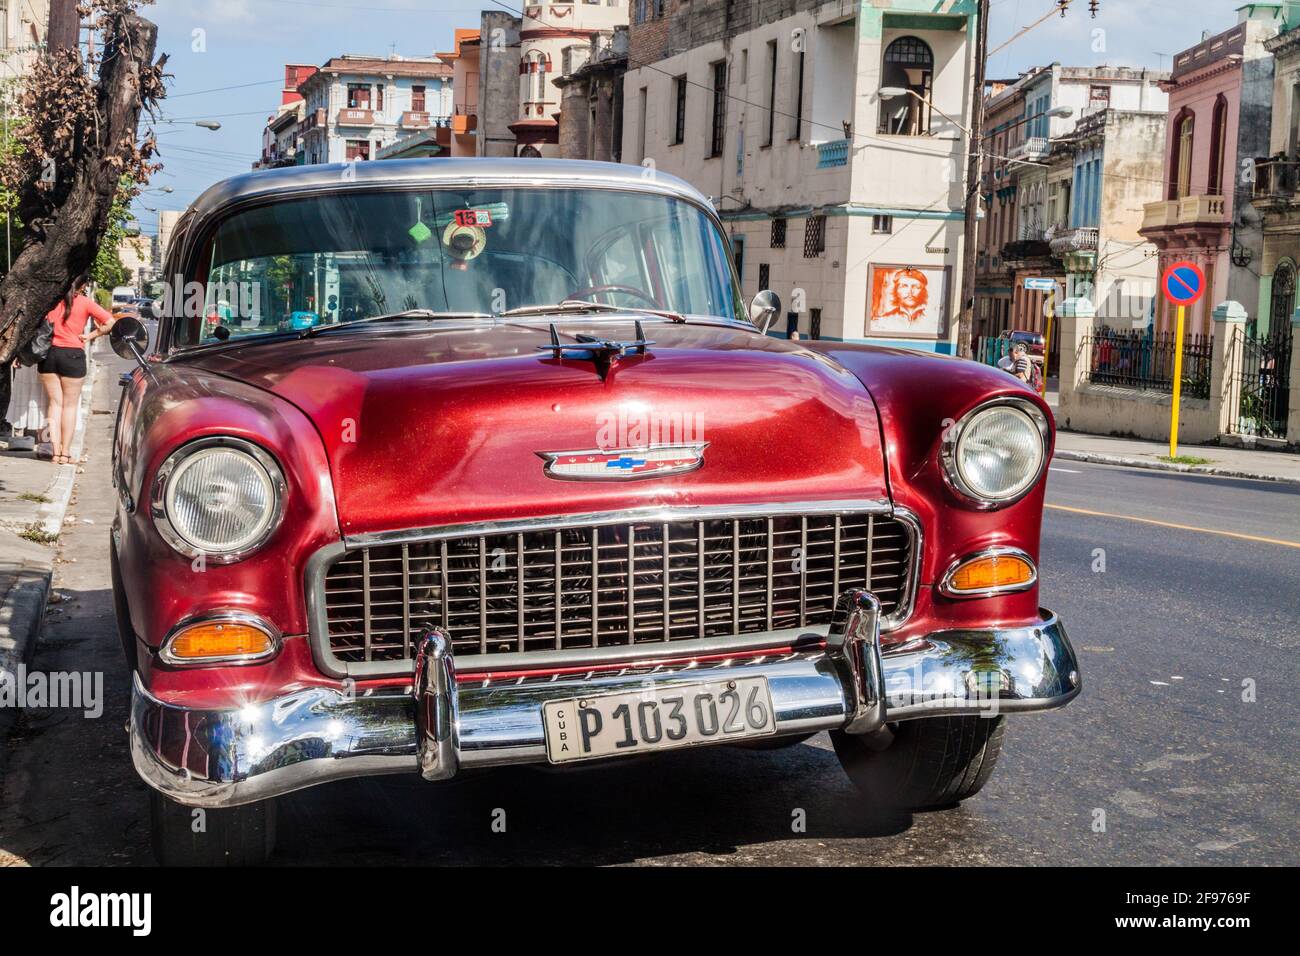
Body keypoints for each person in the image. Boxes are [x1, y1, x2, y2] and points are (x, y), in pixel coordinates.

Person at [39, 280, 116, 464]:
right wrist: (89, 336)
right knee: (70, 406)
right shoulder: (84, 302)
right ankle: (66, 454)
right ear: (82, 286)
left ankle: (55, 453)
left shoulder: (50, 300)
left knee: (54, 405)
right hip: (73, 355)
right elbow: (110, 323)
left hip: (48, 354)